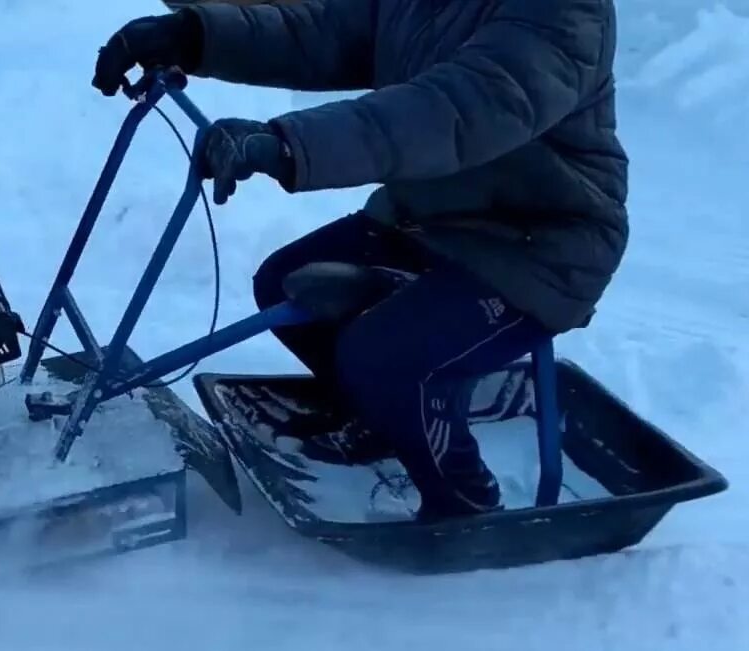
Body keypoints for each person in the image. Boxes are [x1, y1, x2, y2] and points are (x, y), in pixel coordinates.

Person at [91, 0, 629, 520]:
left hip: (539, 248)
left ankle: (466, 504)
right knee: (285, 283)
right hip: (429, 218)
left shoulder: (565, 11)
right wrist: (193, 36)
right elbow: (319, 32)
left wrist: (287, 143)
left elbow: (453, 111)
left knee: (386, 357)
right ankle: (384, 420)